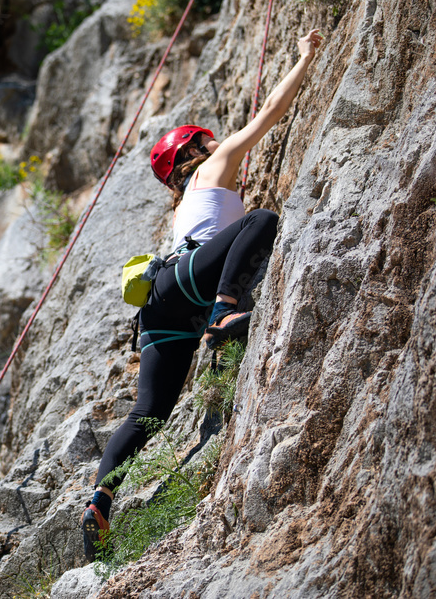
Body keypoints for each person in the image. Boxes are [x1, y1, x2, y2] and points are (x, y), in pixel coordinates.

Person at [81, 29, 324, 561]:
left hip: (160, 304)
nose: (216, 141)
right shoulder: (213, 168)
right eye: (205, 138)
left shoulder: (183, 204)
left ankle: (100, 498)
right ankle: (225, 310)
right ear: (192, 149)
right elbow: (267, 118)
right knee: (261, 218)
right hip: (189, 286)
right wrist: (306, 57)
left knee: (149, 412)